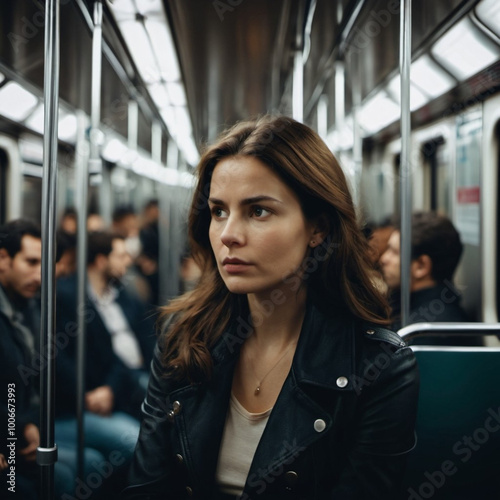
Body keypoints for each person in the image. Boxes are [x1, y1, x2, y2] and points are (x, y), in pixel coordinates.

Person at [124, 116, 419, 499]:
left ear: (319, 229)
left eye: (258, 211)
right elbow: (146, 487)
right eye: (218, 211)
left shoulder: (378, 369)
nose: (229, 234)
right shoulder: (184, 335)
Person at [0, 219, 105, 499]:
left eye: (43, 265)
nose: (39, 275)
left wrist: (31, 424)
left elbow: (34, 384)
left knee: (84, 466)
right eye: (31, 262)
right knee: (56, 477)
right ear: (3, 259)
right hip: (10, 438)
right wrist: (20, 429)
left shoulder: (32, 308)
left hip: (23, 430)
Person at [379, 211, 477, 344]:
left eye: (394, 252)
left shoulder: (427, 332)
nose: (383, 259)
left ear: (421, 266)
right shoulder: (408, 306)